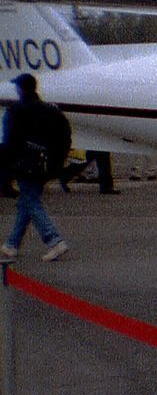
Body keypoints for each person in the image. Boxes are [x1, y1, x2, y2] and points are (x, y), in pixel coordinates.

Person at [2, 74, 74, 261]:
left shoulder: (16, 112)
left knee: (31, 202)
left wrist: (6, 168)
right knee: (26, 202)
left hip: (24, 164)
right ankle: (12, 244)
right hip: (46, 165)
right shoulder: (52, 111)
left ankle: (54, 240)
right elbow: (65, 136)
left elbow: (10, 142)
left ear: (20, 89)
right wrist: (57, 163)